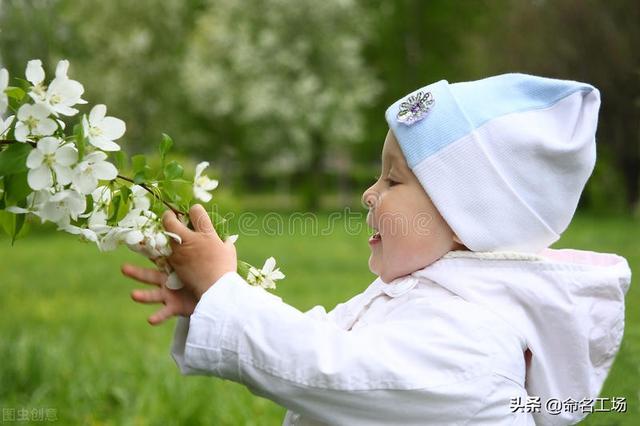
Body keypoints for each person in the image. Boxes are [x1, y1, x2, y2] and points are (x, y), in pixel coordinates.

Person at [121, 73, 632, 425]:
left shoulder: (473, 345)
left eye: (392, 179)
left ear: (463, 220)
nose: (370, 192)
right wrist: (215, 301)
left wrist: (225, 291)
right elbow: (326, 333)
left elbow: (332, 367)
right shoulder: (432, 297)